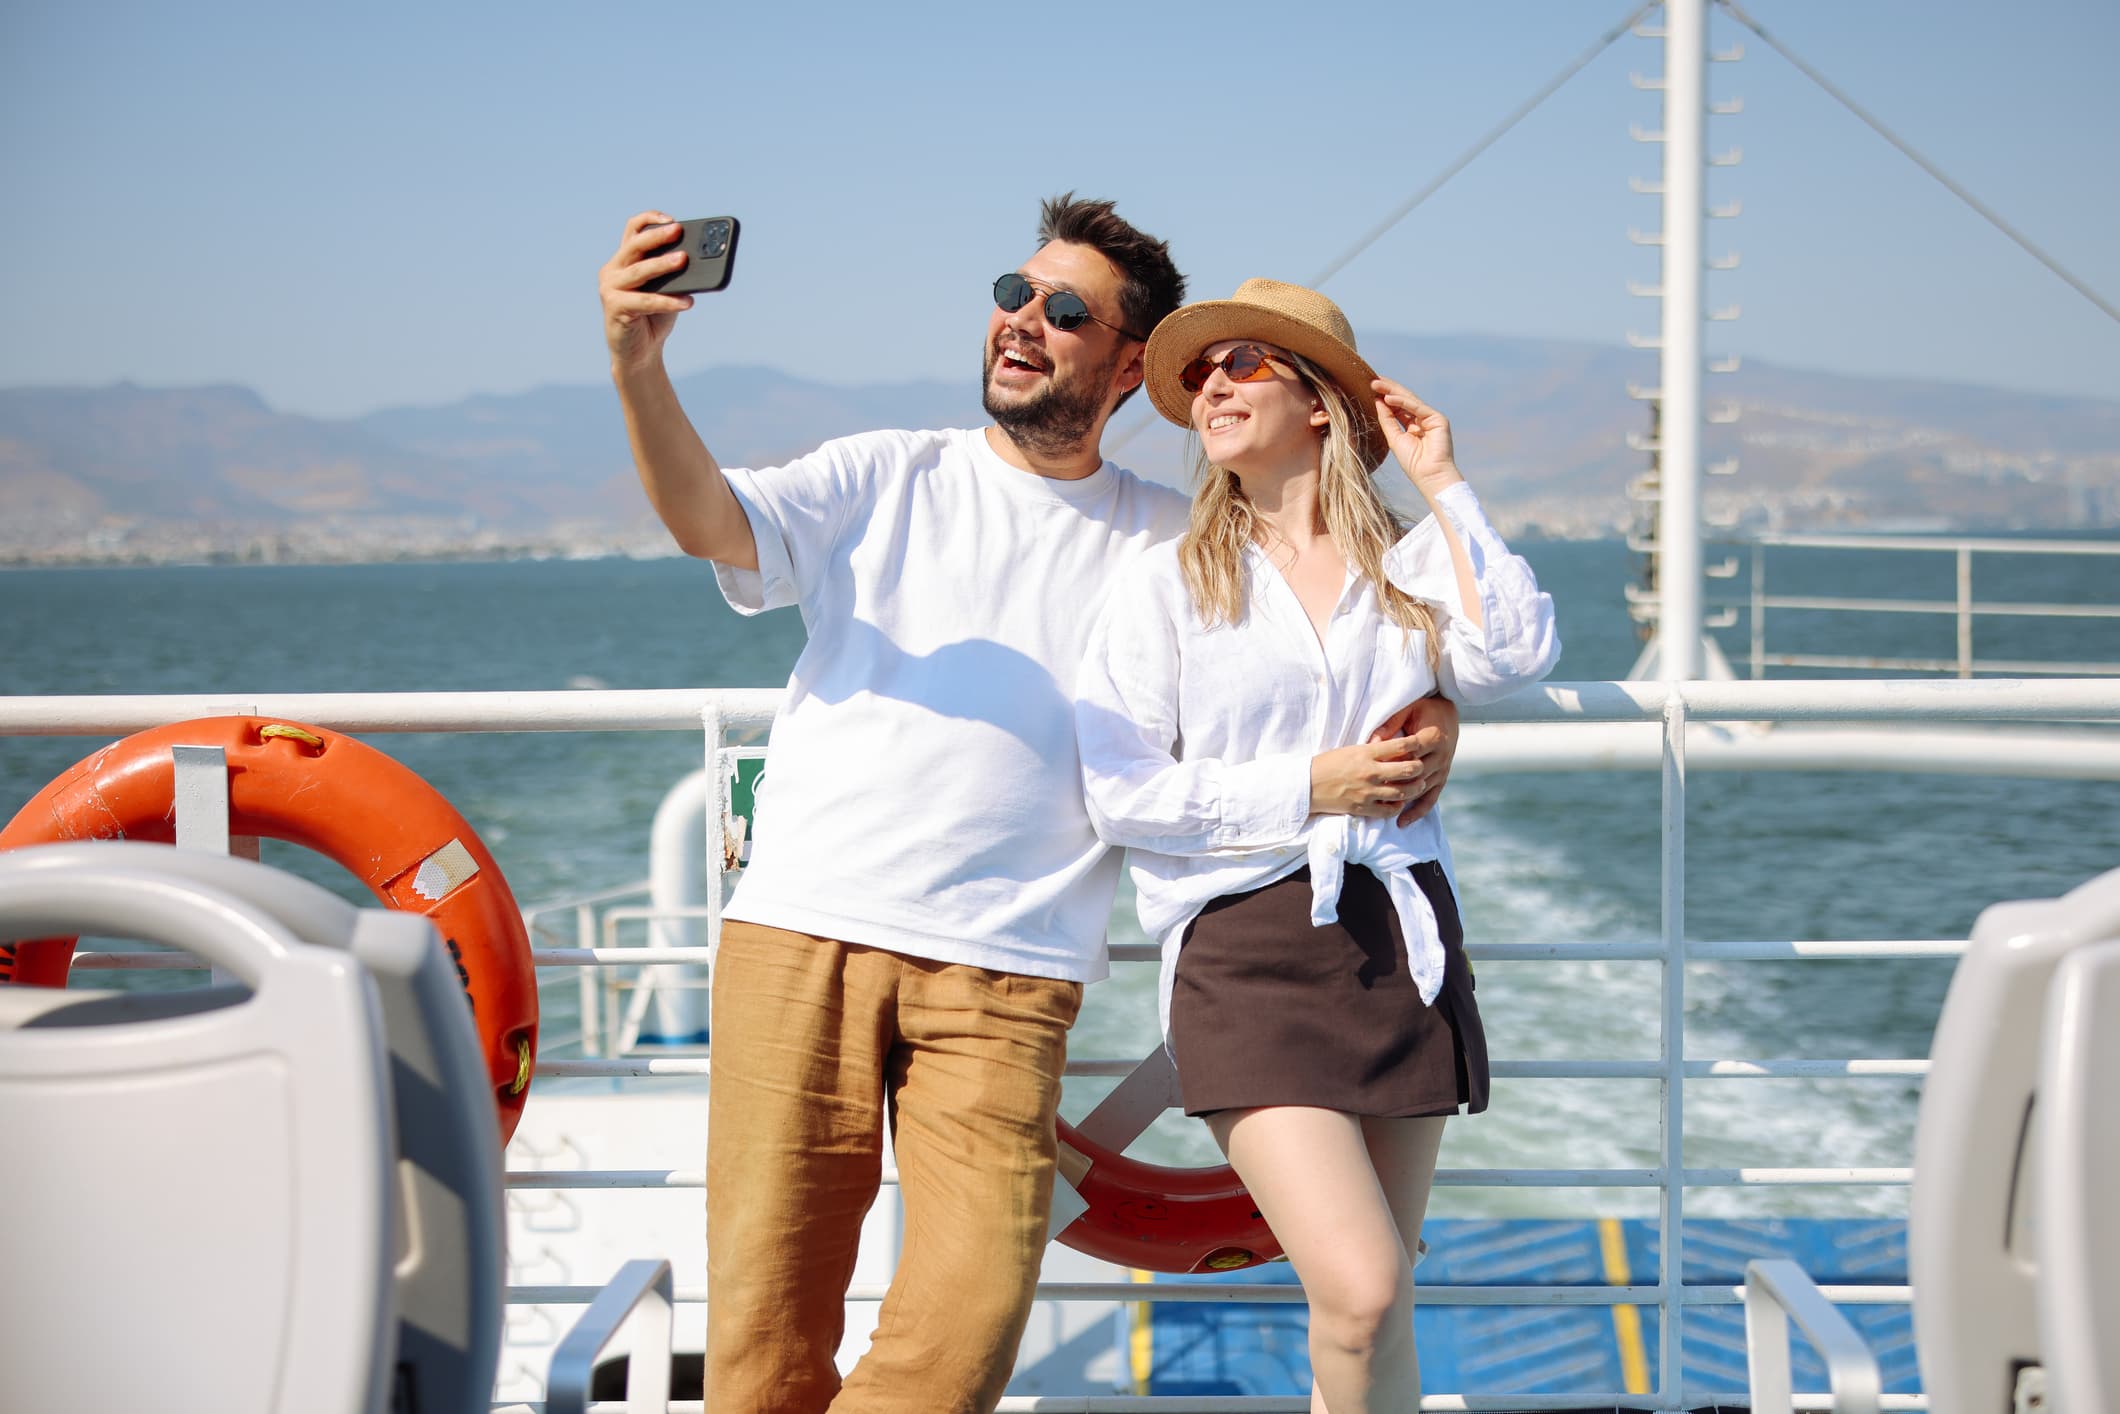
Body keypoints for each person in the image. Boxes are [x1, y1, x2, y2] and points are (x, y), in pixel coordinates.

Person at [597, 199, 1462, 1414]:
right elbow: (708, 522)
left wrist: (1436, 710)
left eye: (1064, 311)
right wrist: (638, 364)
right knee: (764, 1326)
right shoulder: (883, 472)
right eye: (1012, 291)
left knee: (968, 1322)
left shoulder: (1178, 541)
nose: (1022, 321)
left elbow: (1349, 620)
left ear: (1120, 367)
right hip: (798, 934)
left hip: (1005, 976)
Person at [1075, 279, 1560, 1414]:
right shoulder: (1163, 583)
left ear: (1323, 402)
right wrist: (1312, 785)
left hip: (1398, 938)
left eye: (1242, 363)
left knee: (1380, 1303)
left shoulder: (1408, 564)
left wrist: (1439, 480)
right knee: (1358, 1284)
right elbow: (1120, 791)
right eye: (1199, 374)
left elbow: (1515, 656)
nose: (1209, 387)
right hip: (1244, 956)